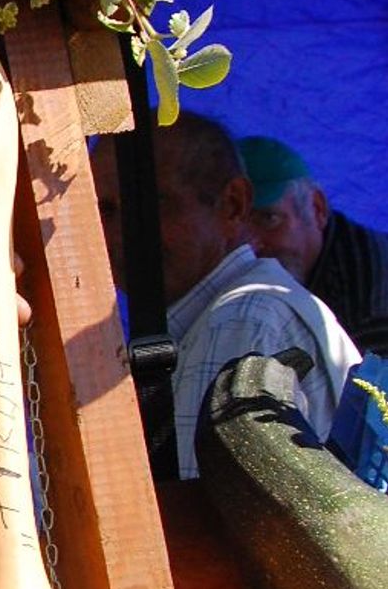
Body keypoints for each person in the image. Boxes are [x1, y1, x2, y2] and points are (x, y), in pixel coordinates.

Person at [92, 112, 359, 480]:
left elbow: (201, 508)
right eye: (104, 210)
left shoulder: (241, 320)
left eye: (150, 205)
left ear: (233, 204)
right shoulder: (222, 317)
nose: (119, 234)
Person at [238, 134, 388, 358]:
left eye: (269, 219)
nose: (251, 244)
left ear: (317, 209)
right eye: (237, 224)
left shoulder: (369, 305)